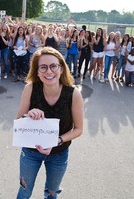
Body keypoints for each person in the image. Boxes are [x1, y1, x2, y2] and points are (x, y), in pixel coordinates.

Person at [16, 47, 83, 199]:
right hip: (30, 152)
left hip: (59, 154)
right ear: (37, 71)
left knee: (52, 193)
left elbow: (78, 129)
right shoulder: (30, 88)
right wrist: (28, 115)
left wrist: (57, 140)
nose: (49, 71)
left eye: (53, 66)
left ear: (61, 68)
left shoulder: (73, 94)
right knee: (24, 191)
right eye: (43, 67)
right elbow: (18, 121)